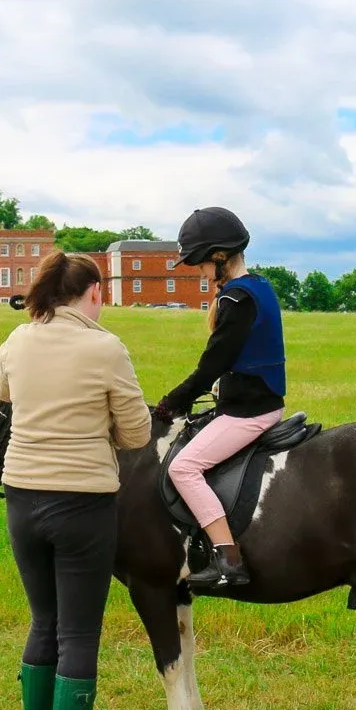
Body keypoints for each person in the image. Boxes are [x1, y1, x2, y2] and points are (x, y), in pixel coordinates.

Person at [0, 250, 151, 710]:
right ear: (94, 293)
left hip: (22, 498)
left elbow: (1, 388)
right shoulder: (105, 348)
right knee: (78, 634)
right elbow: (136, 433)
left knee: (43, 623)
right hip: (83, 503)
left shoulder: (19, 337)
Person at [154, 207, 287, 589]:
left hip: (249, 412)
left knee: (183, 467)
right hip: (250, 403)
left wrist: (171, 402)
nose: (200, 273)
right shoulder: (259, 286)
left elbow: (212, 364)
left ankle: (229, 559)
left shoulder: (237, 300)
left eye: (200, 265)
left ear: (219, 256)